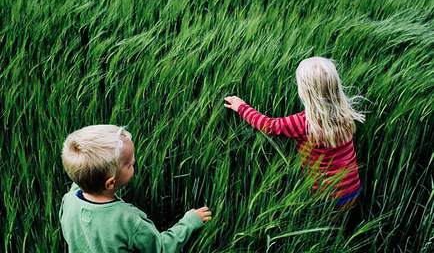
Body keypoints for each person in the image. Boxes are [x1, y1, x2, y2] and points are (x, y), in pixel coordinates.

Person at [224, 56, 365, 212]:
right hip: (353, 191)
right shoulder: (346, 113)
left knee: (325, 229)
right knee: (342, 228)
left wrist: (242, 107)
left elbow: (269, 126)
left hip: (325, 197)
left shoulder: (303, 122)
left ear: (305, 92)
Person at [60, 125, 212, 252]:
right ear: (110, 184)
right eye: (130, 164)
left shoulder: (69, 200)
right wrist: (190, 222)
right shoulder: (128, 220)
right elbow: (161, 248)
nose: (135, 161)